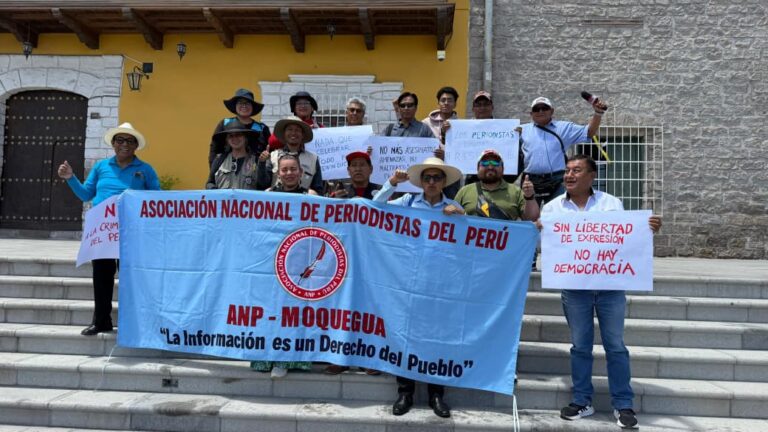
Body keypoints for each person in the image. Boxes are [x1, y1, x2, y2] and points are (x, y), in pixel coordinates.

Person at [539, 154, 661, 430]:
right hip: (575, 290)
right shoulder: (553, 208)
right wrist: (538, 230)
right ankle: (582, 400)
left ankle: (623, 404)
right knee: (580, 347)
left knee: (615, 346)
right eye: (567, 170)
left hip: (610, 289)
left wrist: (647, 230)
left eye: (576, 170)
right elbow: (544, 244)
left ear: (592, 176)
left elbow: (625, 239)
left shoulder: (611, 203)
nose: (569, 175)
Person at [373, 157, 464, 418]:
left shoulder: (455, 207)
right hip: (409, 283)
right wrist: (392, 183)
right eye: (427, 178)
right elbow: (376, 207)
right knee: (405, 338)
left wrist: (462, 218)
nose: (432, 182)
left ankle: (436, 394)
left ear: (444, 182)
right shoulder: (407, 203)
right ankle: (405, 393)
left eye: (437, 178)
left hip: (441, 286)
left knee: (438, 340)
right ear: (421, 182)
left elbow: (471, 241)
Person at [57, 123, 161, 336]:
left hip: (132, 231)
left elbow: (156, 199)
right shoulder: (101, 167)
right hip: (103, 231)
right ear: (113, 144)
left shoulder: (145, 169)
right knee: (101, 276)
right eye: (120, 140)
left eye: (130, 141)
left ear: (136, 146)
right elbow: (86, 194)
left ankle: (135, 322)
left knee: (131, 277)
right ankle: (101, 321)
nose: (124, 144)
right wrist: (70, 178)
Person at [521, 96, 607, 207]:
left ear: (552, 111)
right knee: (529, 215)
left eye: (544, 108)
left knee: (559, 213)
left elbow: (589, 132)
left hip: (557, 180)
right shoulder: (521, 130)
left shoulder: (564, 128)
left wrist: (598, 113)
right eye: (536, 109)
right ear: (531, 114)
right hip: (530, 180)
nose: (540, 111)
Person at [454, 149, 538, 222]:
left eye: (495, 163)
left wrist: (529, 197)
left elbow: (532, 219)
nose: (490, 166)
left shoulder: (516, 191)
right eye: (485, 163)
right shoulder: (464, 191)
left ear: (503, 168)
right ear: (478, 168)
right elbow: (452, 219)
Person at [259, 116, 324, 194]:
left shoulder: (313, 159)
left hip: (303, 201)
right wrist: (262, 163)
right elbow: (263, 184)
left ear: (302, 135)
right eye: (290, 129)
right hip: (277, 200)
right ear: (284, 133)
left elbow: (318, 189)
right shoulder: (273, 156)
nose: (293, 133)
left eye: (297, 130)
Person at [208, 88, 270, 166]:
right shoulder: (225, 124)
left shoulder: (262, 128)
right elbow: (214, 149)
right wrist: (214, 169)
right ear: (235, 106)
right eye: (240, 102)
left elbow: (270, 151)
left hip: (255, 169)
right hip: (227, 169)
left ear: (252, 107)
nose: (244, 106)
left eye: (247, 103)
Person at [206, 121, 265, 190]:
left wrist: (262, 164)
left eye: (238, 135)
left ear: (245, 138)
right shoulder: (219, 160)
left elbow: (263, 184)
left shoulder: (256, 161)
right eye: (231, 136)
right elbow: (209, 183)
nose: (235, 138)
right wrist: (214, 190)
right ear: (227, 140)